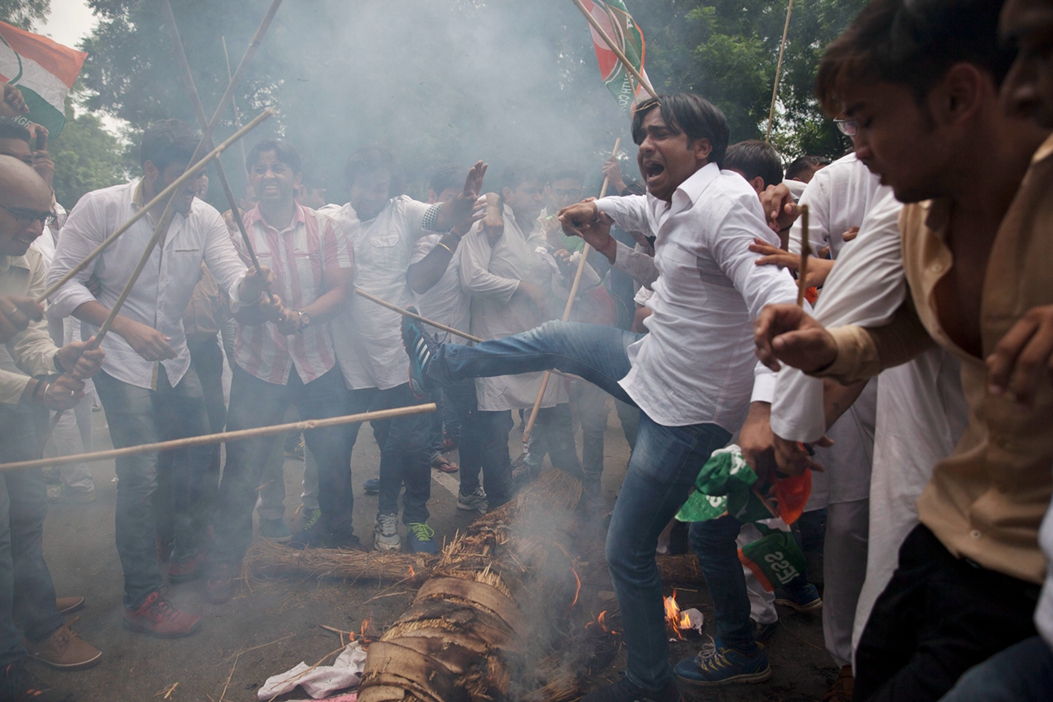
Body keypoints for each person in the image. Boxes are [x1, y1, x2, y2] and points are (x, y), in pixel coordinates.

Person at [401, 93, 804, 700]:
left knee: (629, 551)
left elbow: (777, 298)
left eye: (661, 134)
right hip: (650, 364)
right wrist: (603, 226)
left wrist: (763, 409)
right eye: (642, 134)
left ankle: (648, 686)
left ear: (702, 148)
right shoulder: (676, 202)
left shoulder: (725, 204)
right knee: (560, 339)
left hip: (686, 413)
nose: (645, 145)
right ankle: (448, 364)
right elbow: (655, 244)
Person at [752, 0, 1053, 699]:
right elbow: (911, 328)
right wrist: (823, 348)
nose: (855, 145)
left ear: (956, 97)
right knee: (872, 664)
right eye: (846, 125)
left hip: (1030, 573)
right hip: (950, 530)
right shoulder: (916, 213)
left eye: (867, 117)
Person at [48, 119, 272, 637]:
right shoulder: (101, 208)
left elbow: (233, 276)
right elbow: (62, 287)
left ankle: (186, 552)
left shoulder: (203, 215)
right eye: (182, 178)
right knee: (142, 476)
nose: (193, 191)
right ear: (149, 170)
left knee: (195, 450)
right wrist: (125, 326)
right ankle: (140, 598)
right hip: (121, 360)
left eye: (199, 179)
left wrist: (252, 286)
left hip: (174, 358)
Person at [205, 139, 355, 602]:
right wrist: (256, 302)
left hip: (316, 361)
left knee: (333, 455)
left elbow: (341, 289)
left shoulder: (325, 228)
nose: (269, 175)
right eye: (260, 169)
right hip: (259, 364)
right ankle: (227, 560)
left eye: (278, 168)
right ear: (250, 179)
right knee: (243, 464)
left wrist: (302, 316)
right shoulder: (233, 236)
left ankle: (339, 542)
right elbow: (238, 311)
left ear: (296, 178)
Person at [324, 148, 485, 553]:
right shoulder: (330, 221)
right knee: (337, 443)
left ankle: (412, 519)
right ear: (349, 184)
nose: (373, 193)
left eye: (381, 185)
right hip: (348, 358)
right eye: (365, 184)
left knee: (411, 444)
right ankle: (338, 527)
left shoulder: (406, 211)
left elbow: (440, 217)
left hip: (401, 354)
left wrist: (460, 211)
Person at [0, 155, 105, 701]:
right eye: (22, 215)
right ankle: (9, 664)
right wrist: (35, 388)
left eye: (43, 216)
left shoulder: (30, 259)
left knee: (27, 514)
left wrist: (57, 361)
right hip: (11, 397)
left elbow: (29, 342)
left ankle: (34, 617)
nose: (37, 229)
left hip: (10, 408)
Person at [406, 164, 492, 511]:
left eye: (465, 202)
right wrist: (454, 231)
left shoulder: (475, 231)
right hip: (422, 350)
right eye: (450, 200)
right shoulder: (421, 234)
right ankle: (408, 497)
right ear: (432, 200)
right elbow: (420, 282)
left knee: (470, 423)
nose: (461, 208)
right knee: (414, 428)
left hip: (459, 349)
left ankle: (469, 490)